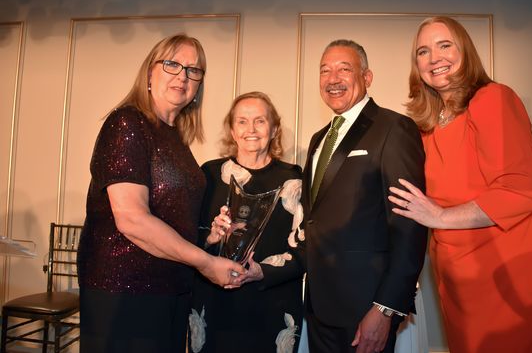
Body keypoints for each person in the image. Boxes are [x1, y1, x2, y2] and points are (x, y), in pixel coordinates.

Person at [388, 16, 532, 353]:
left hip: (514, 268)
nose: (434, 57)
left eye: (444, 45)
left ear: (465, 50)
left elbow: (520, 190)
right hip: (460, 275)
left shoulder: (492, 98)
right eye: (423, 51)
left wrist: (441, 218)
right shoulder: (426, 128)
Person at [77, 34, 245, 353]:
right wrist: (206, 262)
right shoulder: (127, 123)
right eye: (172, 64)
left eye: (193, 70)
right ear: (150, 73)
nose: (183, 75)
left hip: (171, 289)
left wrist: (208, 237)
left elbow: (173, 216)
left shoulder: (176, 139)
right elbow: (132, 220)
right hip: (125, 294)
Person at [271, 39, 427, 353]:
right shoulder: (319, 139)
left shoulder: (394, 128)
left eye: (345, 69)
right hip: (318, 307)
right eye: (324, 70)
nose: (333, 78)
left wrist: (385, 309)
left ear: (366, 78)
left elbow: (410, 226)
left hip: (366, 308)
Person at [189, 91, 305, 353]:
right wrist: (211, 238)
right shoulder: (209, 174)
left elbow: (306, 251)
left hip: (272, 307)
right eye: (242, 121)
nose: (251, 129)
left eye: (260, 121)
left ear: (274, 128)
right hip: (215, 303)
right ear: (232, 130)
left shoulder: (294, 179)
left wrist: (263, 272)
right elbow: (185, 238)